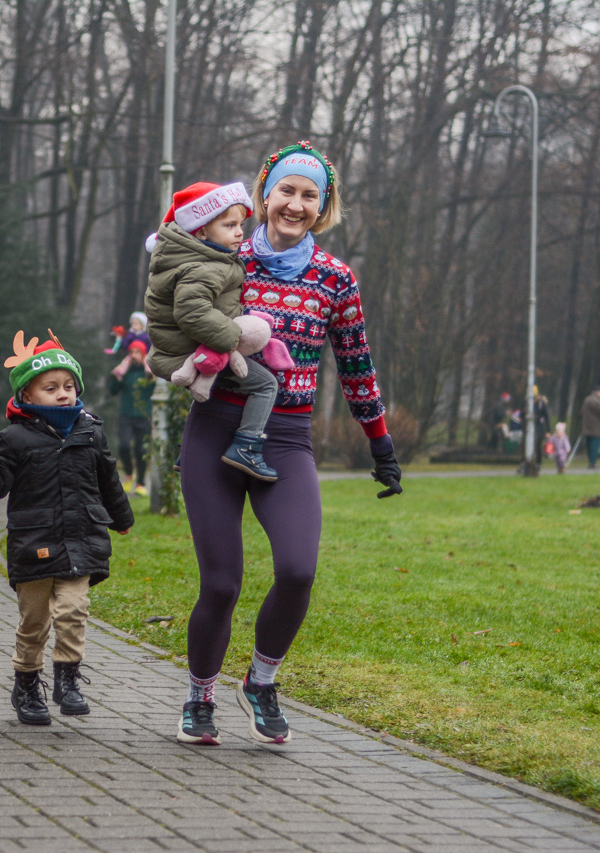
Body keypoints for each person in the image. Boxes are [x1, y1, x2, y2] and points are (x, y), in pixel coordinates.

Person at [175, 142, 401, 746]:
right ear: (264, 195)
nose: (295, 205)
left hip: (286, 437)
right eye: (286, 191)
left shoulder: (335, 279)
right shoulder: (224, 257)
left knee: (298, 570)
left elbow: (357, 367)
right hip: (215, 432)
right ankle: (200, 697)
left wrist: (380, 445)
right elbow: (176, 312)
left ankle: (261, 681)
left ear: (322, 208)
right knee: (221, 583)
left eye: (310, 196)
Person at [0, 334, 134, 726]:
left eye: (69, 386)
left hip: (82, 539)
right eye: (51, 388)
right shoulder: (14, 438)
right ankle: (26, 684)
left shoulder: (90, 431)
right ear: (27, 394)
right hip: (34, 543)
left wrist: (121, 518)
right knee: (34, 622)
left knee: (75, 610)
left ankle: (68, 678)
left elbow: (108, 477)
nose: (63, 394)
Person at [144, 181, 282, 481]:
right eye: (229, 225)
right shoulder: (203, 266)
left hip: (183, 347)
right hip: (189, 349)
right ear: (202, 230)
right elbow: (191, 312)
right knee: (265, 385)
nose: (238, 232)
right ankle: (247, 445)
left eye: (240, 224)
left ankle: (192, 450)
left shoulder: (201, 256)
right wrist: (232, 338)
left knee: (215, 390)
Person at [107, 340, 154, 495]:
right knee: (124, 446)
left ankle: (140, 484)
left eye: (137, 353)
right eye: (131, 352)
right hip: (126, 415)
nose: (133, 356)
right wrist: (116, 375)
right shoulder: (125, 372)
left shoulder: (148, 373)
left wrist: (151, 374)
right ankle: (128, 473)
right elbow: (113, 391)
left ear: (143, 355)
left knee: (141, 450)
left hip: (144, 416)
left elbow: (155, 388)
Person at [581, 387, 600, 468]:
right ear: (599, 392)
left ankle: (590, 461)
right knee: (595, 446)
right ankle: (592, 463)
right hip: (596, 427)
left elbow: (581, 411)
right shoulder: (597, 401)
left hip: (586, 426)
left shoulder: (587, 400)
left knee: (588, 445)